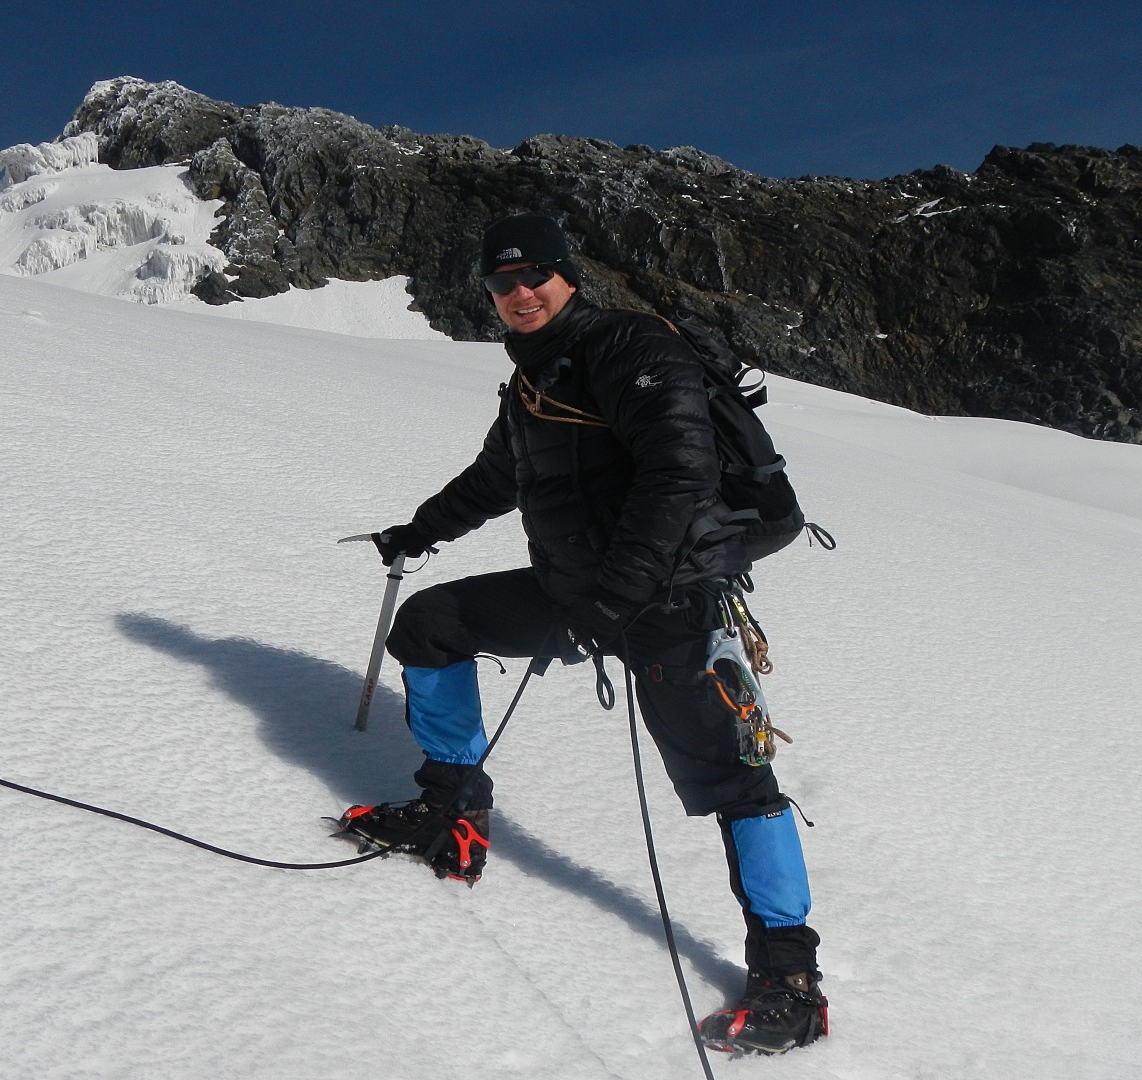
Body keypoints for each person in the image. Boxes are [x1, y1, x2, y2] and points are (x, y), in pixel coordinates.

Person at [338, 213, 827, 1055]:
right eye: (501, 283)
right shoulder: (532, 381)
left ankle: (791, 977)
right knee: (433, 624)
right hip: (583, 590)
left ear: (568, 276)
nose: (519, 293)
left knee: (734, 778)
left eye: (534, 275)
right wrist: (418, 533)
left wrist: (624, 591)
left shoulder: (633, 349)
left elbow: (680, 473)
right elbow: (502, 476)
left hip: (670, 598)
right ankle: (452, 811)